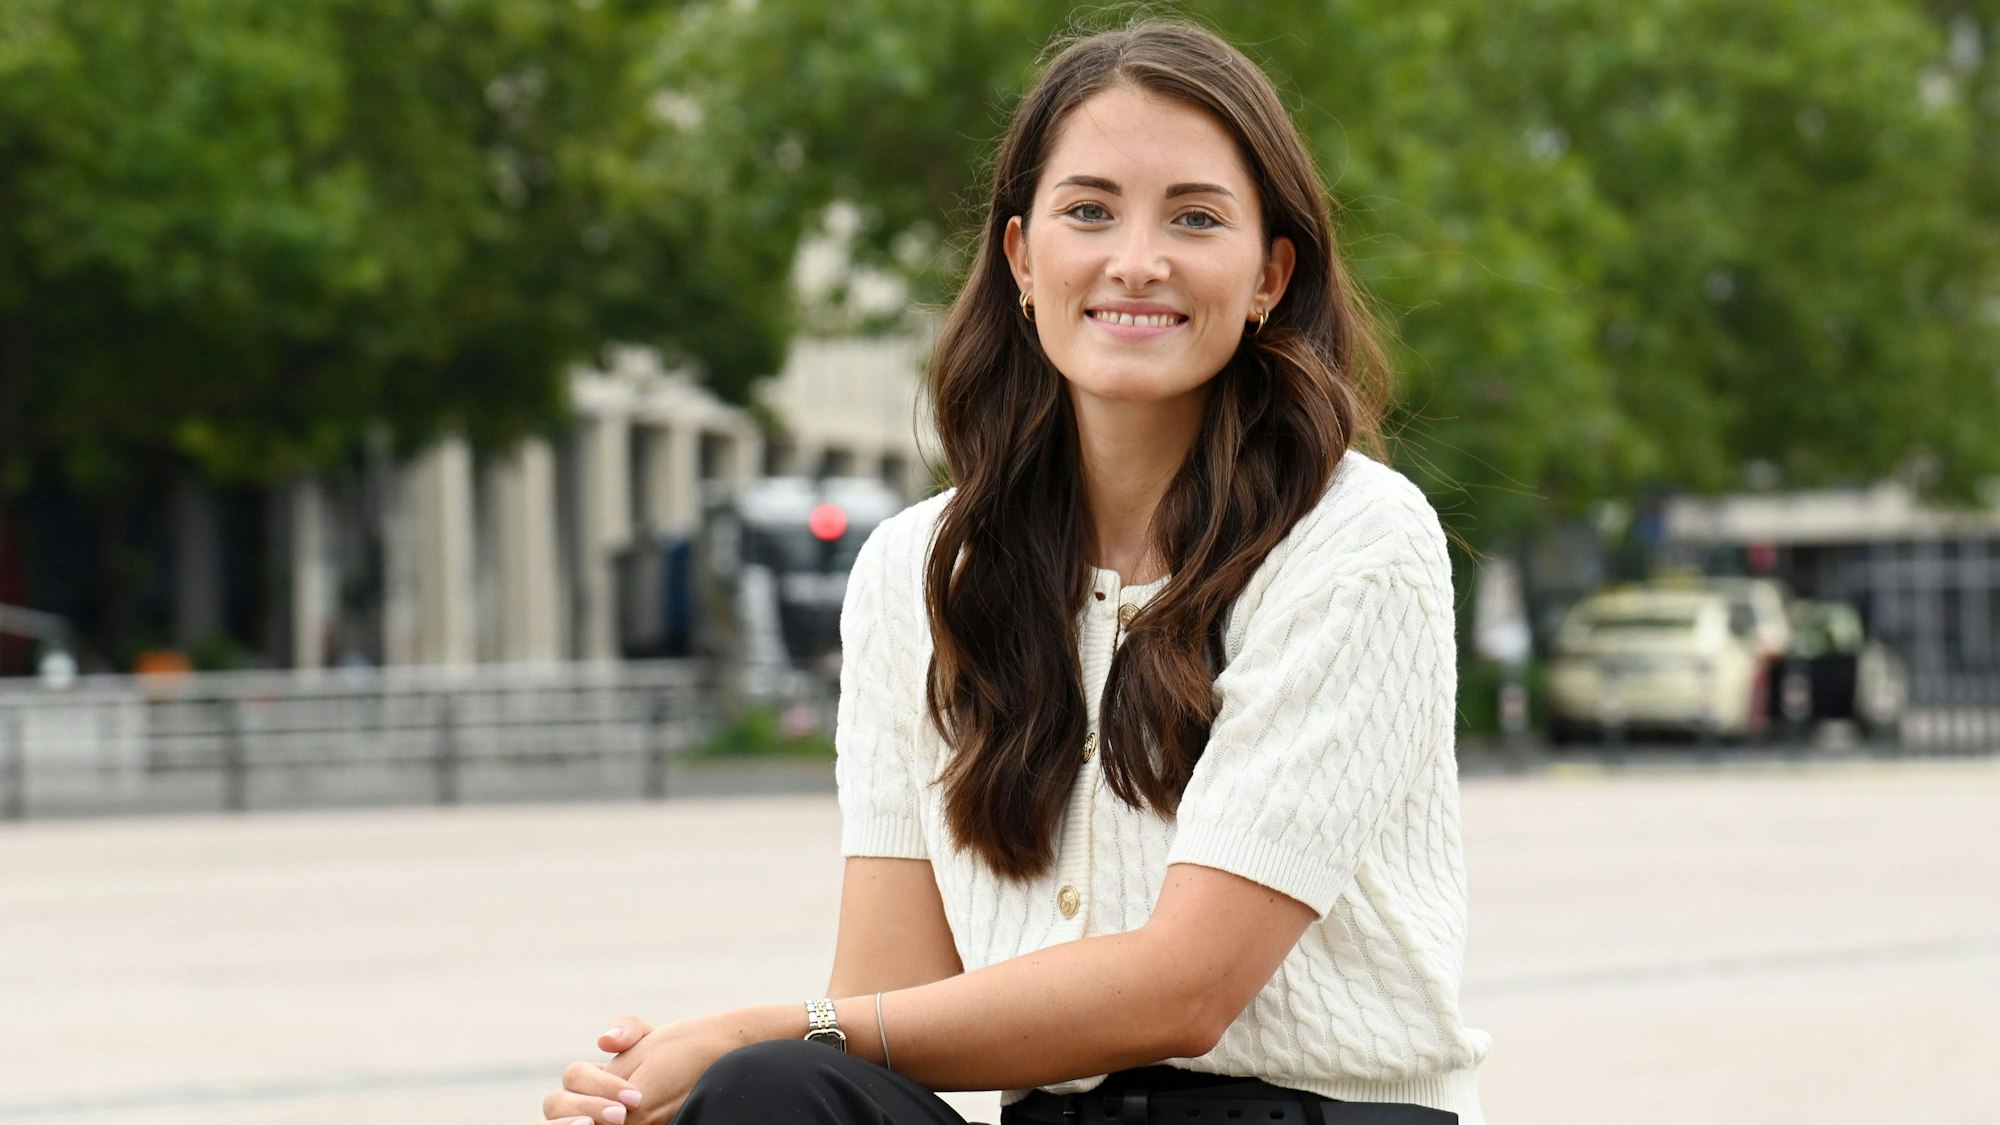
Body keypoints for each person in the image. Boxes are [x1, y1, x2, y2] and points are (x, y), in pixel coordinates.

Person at [539, 18, 1489, 1125]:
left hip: (1301, 1120)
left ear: (1271, 274)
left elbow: (1188, 991)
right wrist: (695, 1084)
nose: (1136, 260)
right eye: (1088, 212)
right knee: (771, 1098)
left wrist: (761, 1024)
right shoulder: (913, 572)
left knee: (772, 1055)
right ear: (1022, 260)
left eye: (1194, 217)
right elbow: (884, 1010)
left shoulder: (1355, 539)